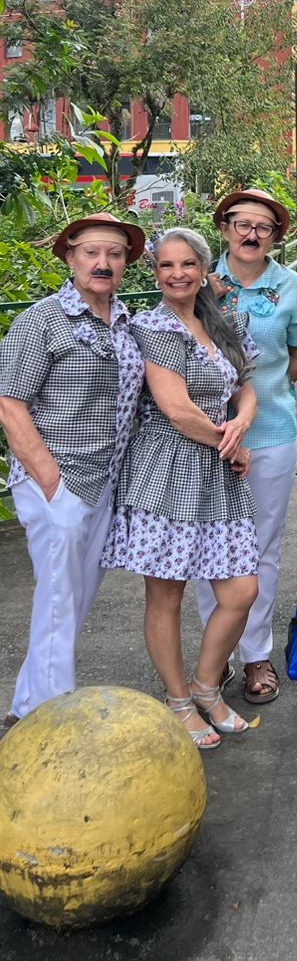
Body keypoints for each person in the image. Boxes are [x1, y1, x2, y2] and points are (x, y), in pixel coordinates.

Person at [102, 229, 260, 750]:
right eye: (166, 266)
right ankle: (177, 701)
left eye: (187, 264)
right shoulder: (154, 326)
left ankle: (206, 686)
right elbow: (175, 408)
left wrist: (241, 423)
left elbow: (247, 388)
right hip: (167, 468)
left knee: (241, 590)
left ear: (204, 268)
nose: (177, 274)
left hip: (217, 467)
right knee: (166, 592)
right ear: (155, 273)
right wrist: (230, 445)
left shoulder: (222, 321)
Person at [0, 214, 146, 729]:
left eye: (114, 254)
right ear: (70, 257)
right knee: (61, 600)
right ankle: (54, 723)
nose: (102, 263)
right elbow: (9, 404)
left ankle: (27, 708)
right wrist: (50, 482)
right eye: (91, 253)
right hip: (57, 481)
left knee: (71, 602)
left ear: (126, 263)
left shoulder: (124, 320)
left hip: (105, 481)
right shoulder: (41, 321)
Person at [197, 188, 297, 706]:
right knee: (207, 544)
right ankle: (215, 651)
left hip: (271, 431)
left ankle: (256, 653)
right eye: (242, 224)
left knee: (262, 545)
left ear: (275, 236)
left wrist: (270, 391)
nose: (251, 234)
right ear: (224, 228)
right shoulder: (198, 280)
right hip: (203, 435)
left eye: (263, 227)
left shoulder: (289, 285)